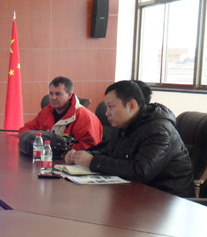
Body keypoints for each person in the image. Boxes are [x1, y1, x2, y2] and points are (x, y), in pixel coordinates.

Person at [65, 80, 194, 197]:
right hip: (137, 194)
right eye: (106, 107)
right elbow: (108, 151)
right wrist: (82, 155)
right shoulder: (126, 125)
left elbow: (140, 171)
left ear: (132, 105)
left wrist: (93, 161)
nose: (107, 113)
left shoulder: (159, 131)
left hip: (169, 201)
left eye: (111, 106)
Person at [19, 76, 103, 150]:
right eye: (51, 94)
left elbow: (89, 148)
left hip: (72, 161)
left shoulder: (85, 117)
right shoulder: (47, 112)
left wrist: (59, 148)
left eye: (58, 94)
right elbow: (26, 130)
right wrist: (36, 140)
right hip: (48, 156)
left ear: (69, 95)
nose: (53, 97)